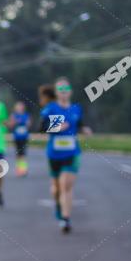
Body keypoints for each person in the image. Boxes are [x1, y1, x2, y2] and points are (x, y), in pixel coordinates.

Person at [38, 77, 92, 233]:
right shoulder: (50, 109)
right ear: (56, 93)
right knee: (56, 189)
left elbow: (79, 123)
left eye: (66, 89)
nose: (63, 92)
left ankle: (65, 219)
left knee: (66, 185)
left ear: (70, 92)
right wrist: (57, 127)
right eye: (60, 90)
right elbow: (41, 128)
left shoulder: (76, 108)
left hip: (72, 152)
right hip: (54, 154)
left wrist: (85, 129)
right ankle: (58, 205)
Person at [9, 100, 32, 177]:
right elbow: (11, 125)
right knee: (18, 154)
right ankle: (19, 170)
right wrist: (15, 122)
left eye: (21, 106)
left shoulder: (26, 115)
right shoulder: (14, 115)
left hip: (24, 137)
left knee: (23, 154)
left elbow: (28, 124)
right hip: (17, 138)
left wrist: (24, 123)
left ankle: (23, 170)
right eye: (18, 106)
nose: (19, 108)